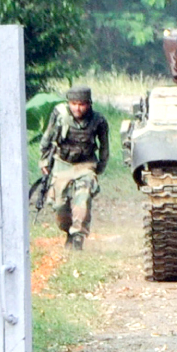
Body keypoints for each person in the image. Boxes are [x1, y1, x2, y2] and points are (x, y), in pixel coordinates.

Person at [39, 85, 109, 251]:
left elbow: (105, 147)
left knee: (82, 199)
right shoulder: (60, 114)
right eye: (74, 104)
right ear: (68, 103)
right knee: (59, 206)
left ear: (89, 104)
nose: (77, 108)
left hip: (85, 165)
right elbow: (47, 138)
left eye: (82, 104)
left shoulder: (98, 121)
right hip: (62, 164)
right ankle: (68, 231)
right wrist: (44, 162)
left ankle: (78, 236)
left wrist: (99, 168)